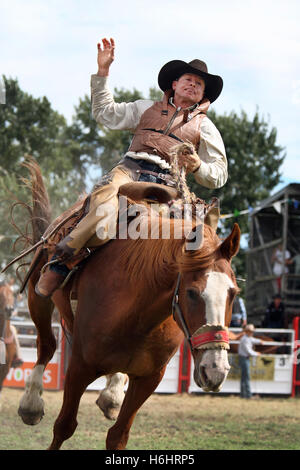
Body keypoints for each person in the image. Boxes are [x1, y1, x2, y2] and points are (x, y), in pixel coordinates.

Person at [36, 37, 228, 298]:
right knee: (104, 207)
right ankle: (62, 261)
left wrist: (197, 166)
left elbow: (219, 174)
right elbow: (105, 113)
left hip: (170, 188)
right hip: (128, 173)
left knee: (200, 235)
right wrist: (102, 72)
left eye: (199, 84)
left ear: (203, 94)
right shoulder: (144, 107)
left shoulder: (206, 127)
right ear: (175, 84)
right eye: (188, 80)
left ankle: (191, 297)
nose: (192, 85)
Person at [238, 324, 264, 399]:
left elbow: (253, 340)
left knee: (244, 377)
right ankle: (248, 395)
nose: (252, 333)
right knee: (246, 377)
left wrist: (259, 341)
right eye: (250, 331)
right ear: (247, 332)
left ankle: (243, 394)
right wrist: (256, 353)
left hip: (244, 358)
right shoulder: (245, 339)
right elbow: (248, 351)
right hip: (244, 358)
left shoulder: (247, 338)